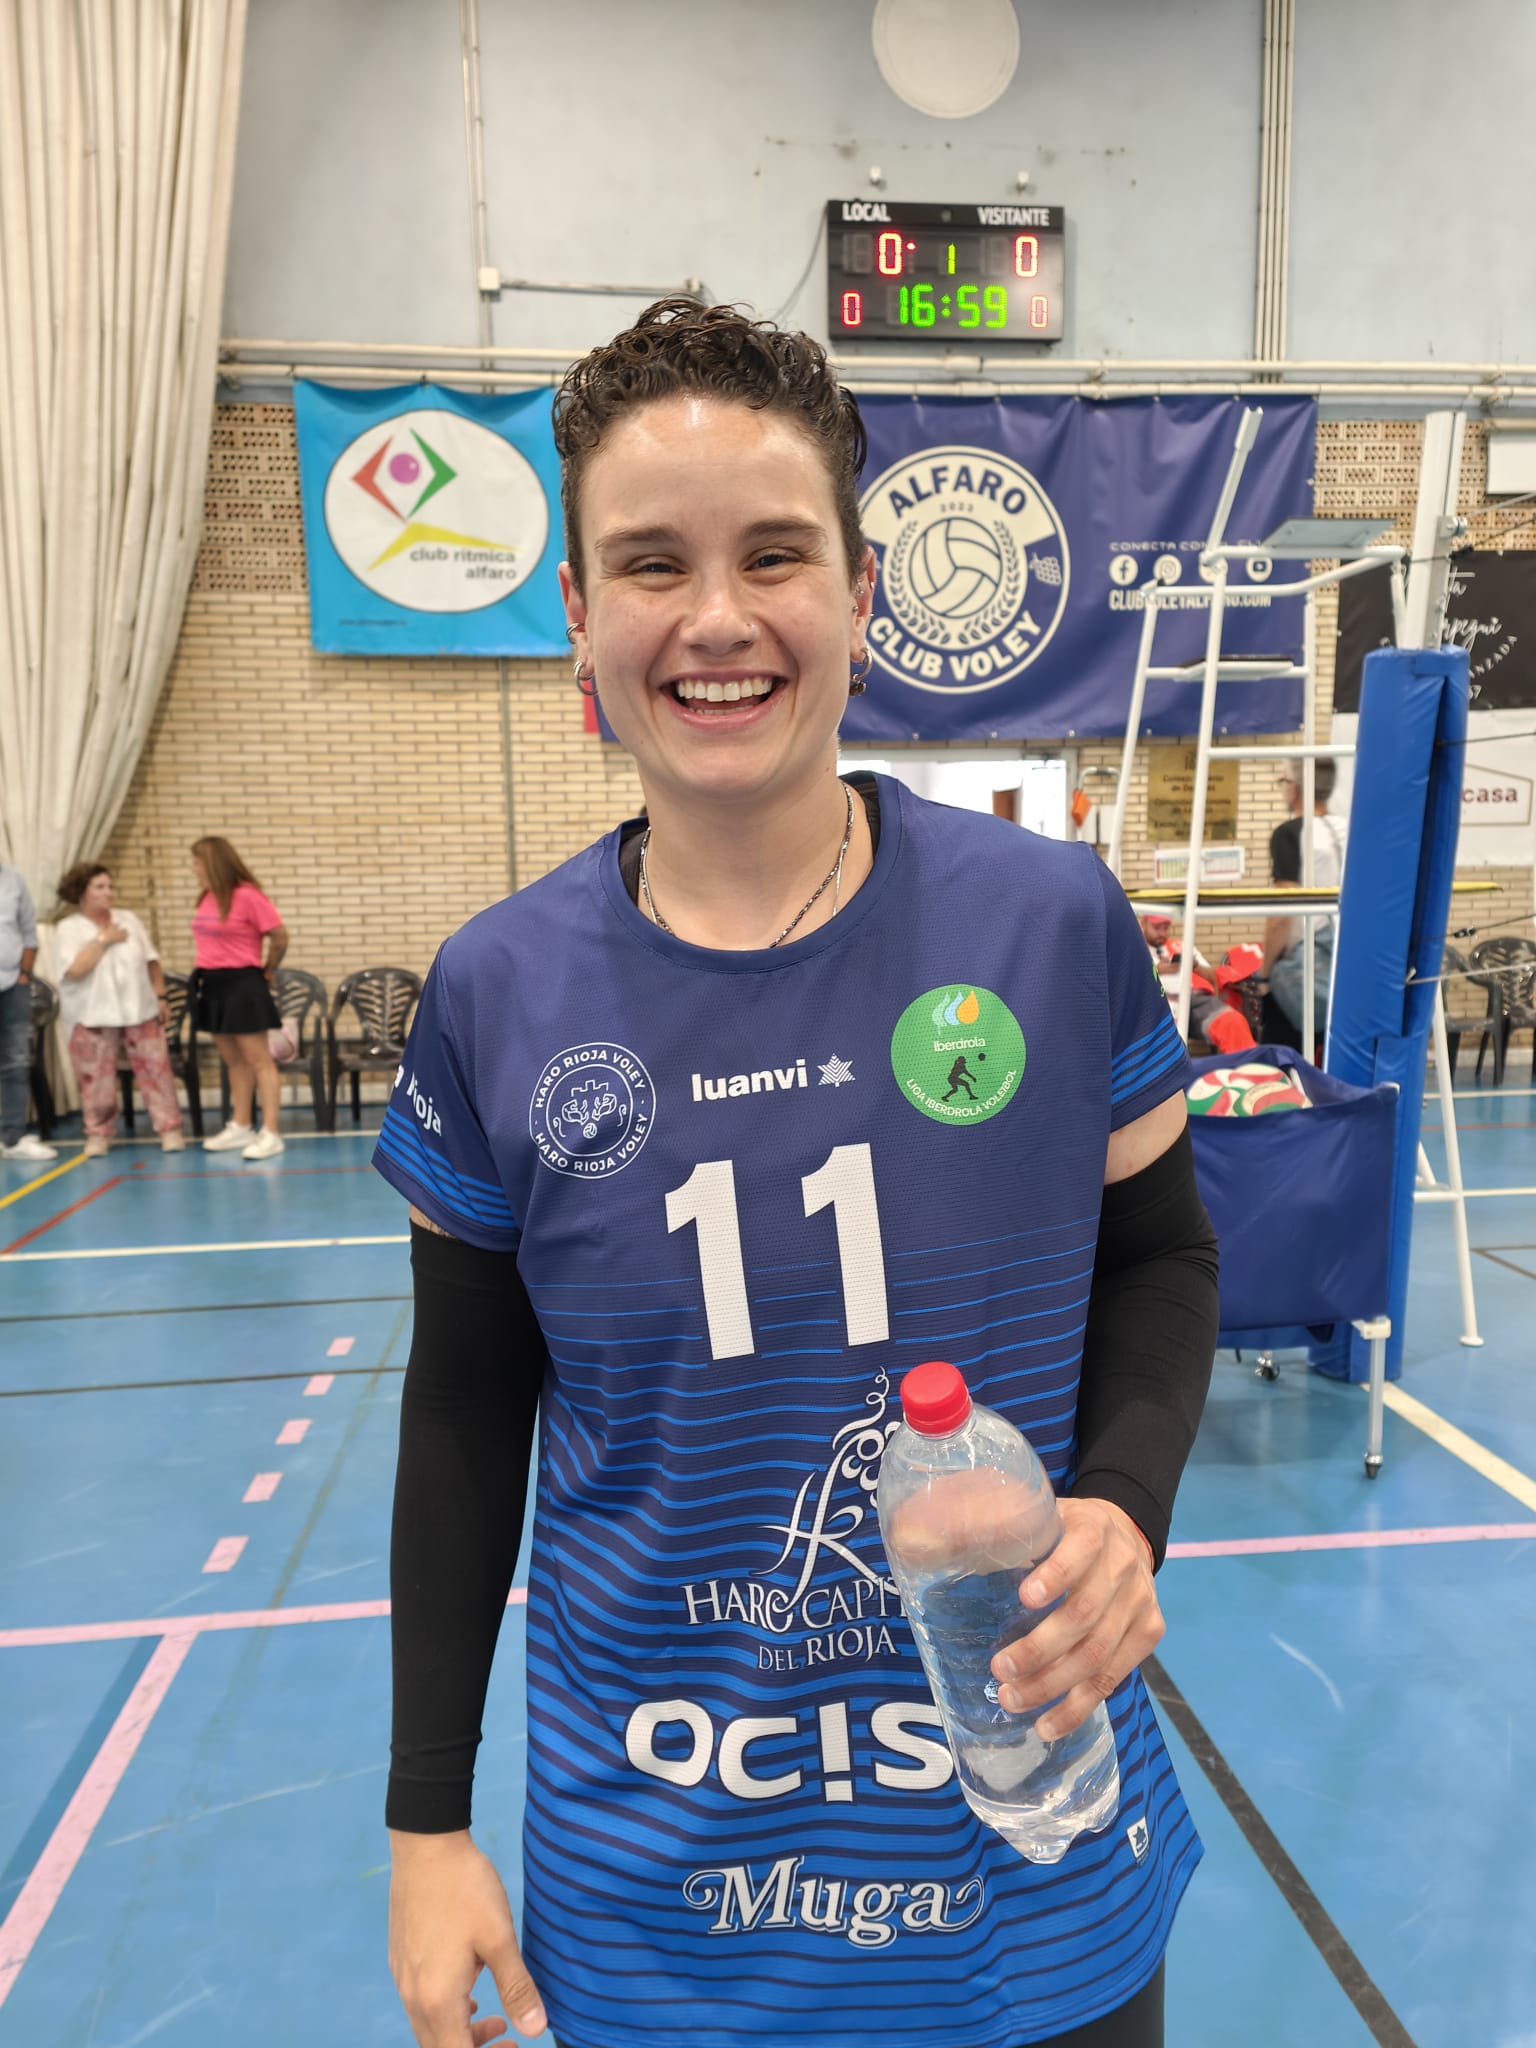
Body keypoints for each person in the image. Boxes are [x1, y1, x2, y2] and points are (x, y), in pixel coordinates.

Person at [375, 300, 1220, 2048]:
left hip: (1031, 1857)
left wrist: (1124, 1505)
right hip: (663, 1891)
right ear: (577, 614)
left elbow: (1163, 1258)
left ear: (858, 592)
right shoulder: (495, 991)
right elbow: (464, 1409)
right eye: (651, 564)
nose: (717, 618)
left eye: (773, 554)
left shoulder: (1049, 922)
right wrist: (425, 1820)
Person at [55, 863, 186, 1156]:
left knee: (156, 1070)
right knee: (97, 1080)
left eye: (110, 887)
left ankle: (170, 1128)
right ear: (82, 893)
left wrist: (161, 996)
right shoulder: (68, 928)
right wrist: (103, 940)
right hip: (92, 1015)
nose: (108, 893)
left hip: (139, 1009)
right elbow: (75, 970)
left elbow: (152, 961)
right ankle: (98, 1133)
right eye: (100, 887)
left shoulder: (129, 919)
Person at [189, 836, 288, 1159]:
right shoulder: (207, 897)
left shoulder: (248, 896)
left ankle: (271, 1132)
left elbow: (279, 935)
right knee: (234, 1060)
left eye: (197, 862)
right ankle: (241, 1125)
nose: (194, 869)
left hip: (243, 983)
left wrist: (268, 968)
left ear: (213, 863)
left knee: (259, 1059)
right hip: (211, 984)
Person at [1260, 760, 1345, 1051]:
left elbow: (1283, 913)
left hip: (1308, 965)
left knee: (1277, 1056)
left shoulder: (1291, 833)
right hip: (1351, 962)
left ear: (1296, 788)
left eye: (1284, 782)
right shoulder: (1349, 830)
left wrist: (1264, 973)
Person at [0, 856, 56, 1162]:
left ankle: (13, 1138)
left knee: (16, 1063)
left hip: (13, 985)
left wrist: (24, 974)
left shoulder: (13, 880)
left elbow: (28, 934)